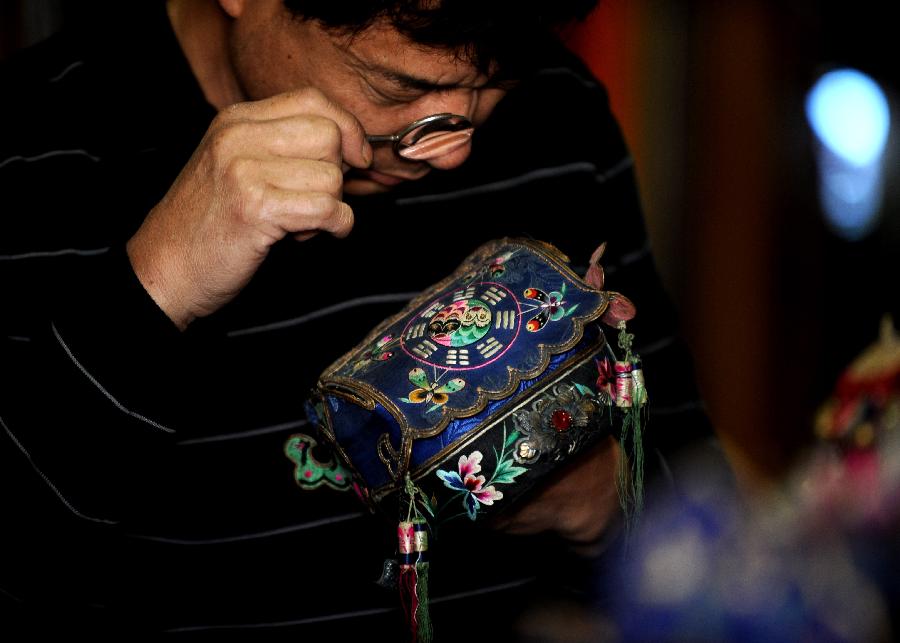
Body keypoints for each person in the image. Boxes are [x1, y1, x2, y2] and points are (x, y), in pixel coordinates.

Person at [0, 0, 725, 639]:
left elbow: (714, 524)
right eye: (396, 87)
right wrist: (160, 281)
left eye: (493, 81)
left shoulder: (557, 116)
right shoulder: (31, 154)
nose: (455, 148)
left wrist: (608, 502)